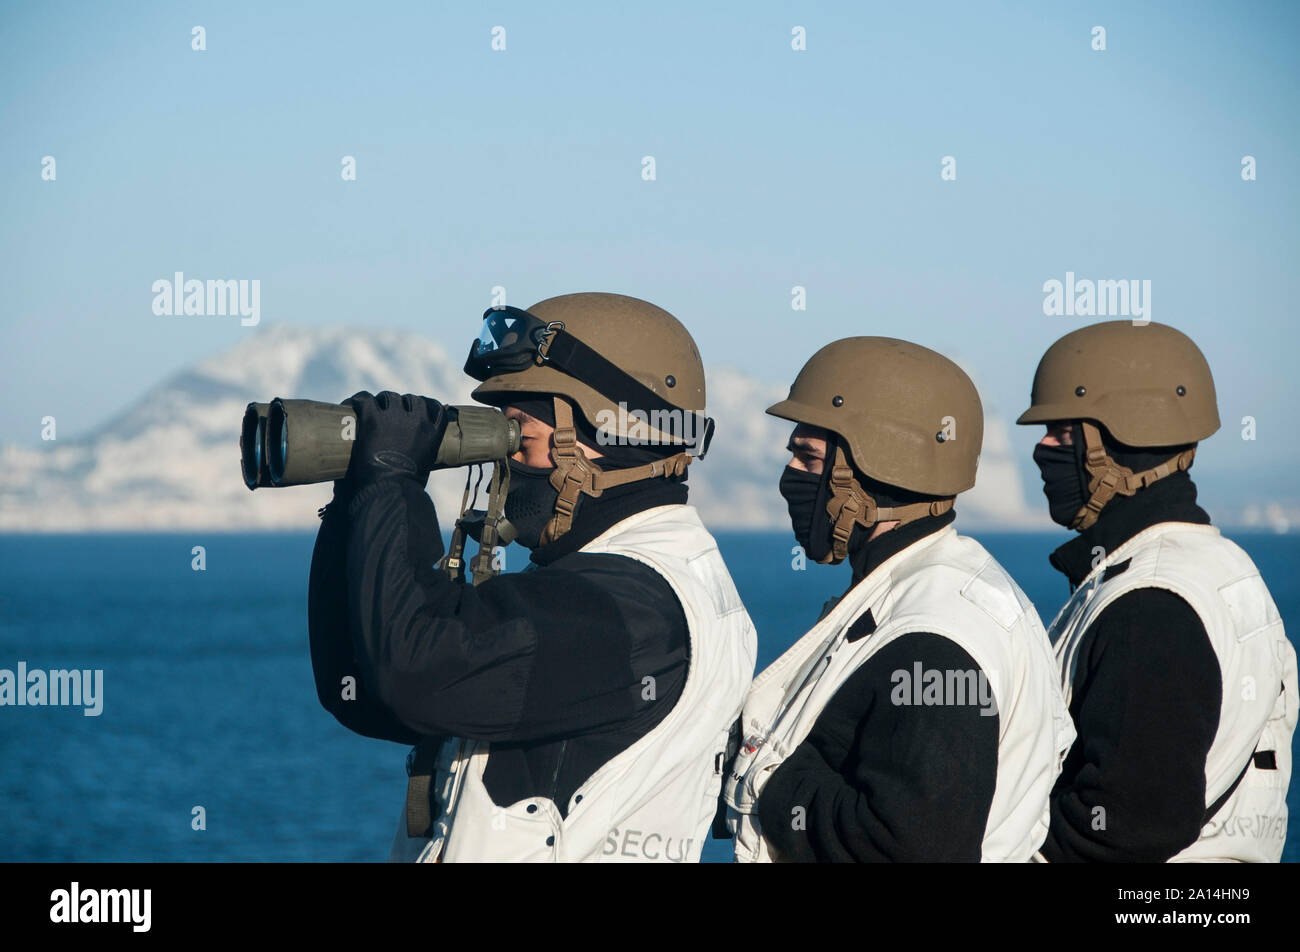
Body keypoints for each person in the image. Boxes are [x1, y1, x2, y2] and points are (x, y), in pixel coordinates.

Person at [307, 292, 756, 862]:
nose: (507, 461)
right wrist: (355, 500)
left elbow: (414, 673)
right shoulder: (640, 584)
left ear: (604, 437)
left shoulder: (633, 605)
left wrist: (393, 481)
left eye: (521, 433)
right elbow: (365, 694)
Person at [723, 337, 1073, 862]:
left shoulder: (934, 638)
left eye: (808, 457)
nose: (788, 479)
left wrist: (767, 784)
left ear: (875, 469)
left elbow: (914, 843)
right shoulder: (943, 585)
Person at [1017, 320, 1296, 862]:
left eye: (1063, 432)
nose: (1041, 450)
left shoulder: (1150, 604)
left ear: (1126, 437)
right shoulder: (1218, 565)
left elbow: (1124, 830)